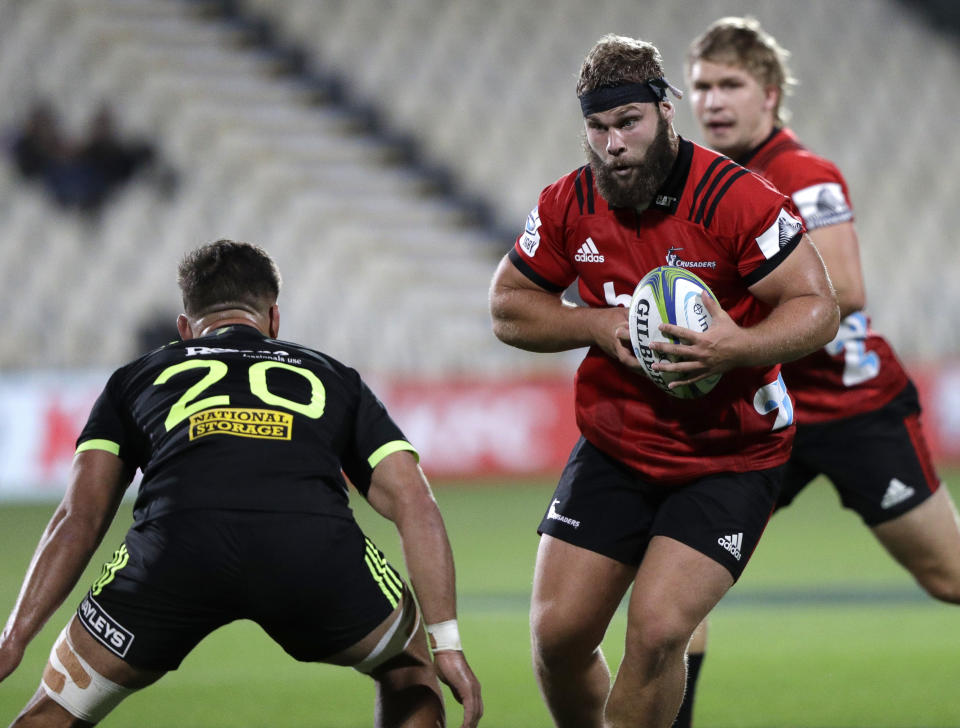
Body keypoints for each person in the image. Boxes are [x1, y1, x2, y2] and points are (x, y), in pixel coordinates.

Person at [487, 33, 839, 728]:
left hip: (729, 457)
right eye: (597, 127)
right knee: (557, 641)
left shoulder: (737, 199)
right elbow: (507, 308)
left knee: (653, 632)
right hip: (617, 447)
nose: (612, 142)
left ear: (665, 112)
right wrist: (594, 324)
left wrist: (736, 346)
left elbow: (817, 308)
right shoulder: (567, 203)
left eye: (627, 123)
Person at [0, 239, 483, 728]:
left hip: (177, 548)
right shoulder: (335, 376)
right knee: (409, 670)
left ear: (185, 329)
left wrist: (15, 636)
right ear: (274, 319)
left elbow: (79, 516)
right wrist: (447, 646)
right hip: (310, 547)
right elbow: (416, 502)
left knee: (58, 708)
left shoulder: (133, 378)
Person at [680, 15, 960, 725]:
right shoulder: (703, 183)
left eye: (730, 84)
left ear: (769, 93)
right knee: (675, 583)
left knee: (948, 576)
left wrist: (718, 324)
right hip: (761, 413)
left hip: (850, 407)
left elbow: (844, 290)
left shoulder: (802, 174)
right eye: (701, 86)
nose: (712, 100)